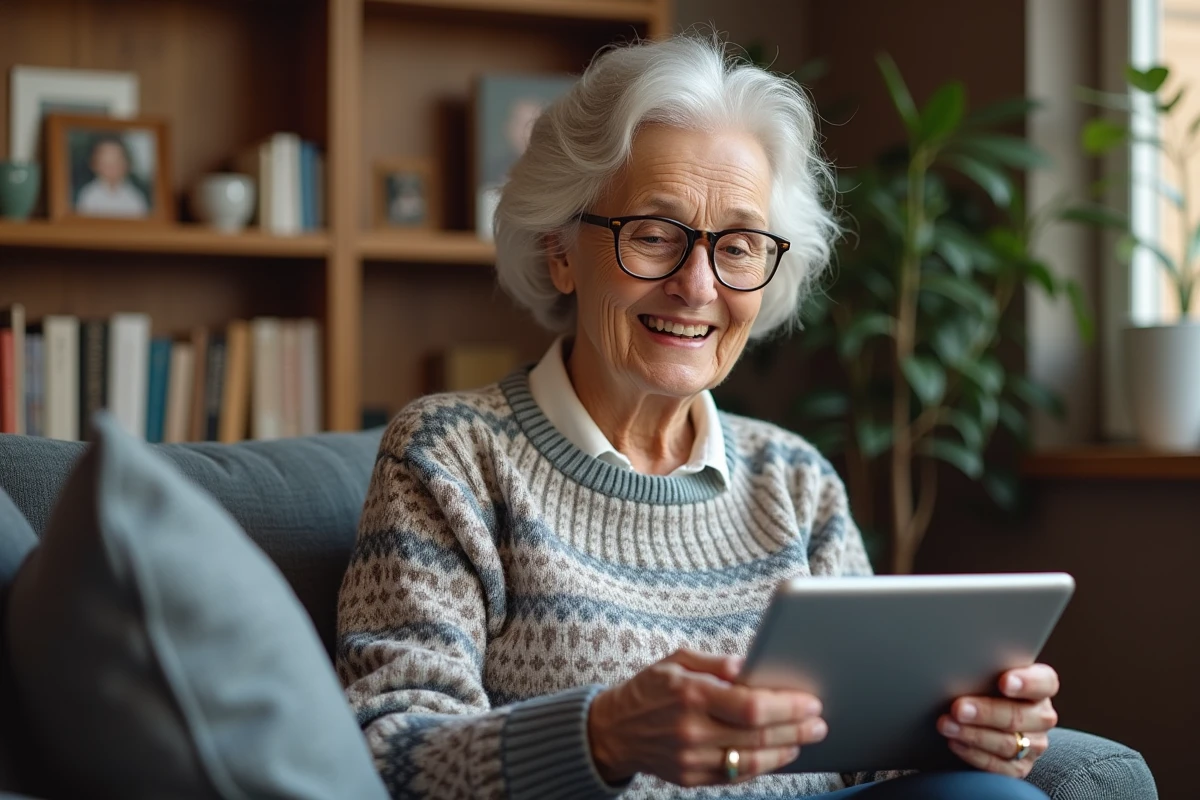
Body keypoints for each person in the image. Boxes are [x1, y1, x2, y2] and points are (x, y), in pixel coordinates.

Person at [336, 35, 1059, 799]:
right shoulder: (452, 457)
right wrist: (603, 736)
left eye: (739, 246)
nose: (697, 286)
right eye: (653, 236)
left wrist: (971, 732)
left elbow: (867, 763)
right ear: (559, 249)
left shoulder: (795, 480)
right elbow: (386, 751)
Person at [75, 135, 149, 218]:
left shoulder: (136, 198)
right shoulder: (88, 196)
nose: (111, 168)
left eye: (116, 161)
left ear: (126, 164)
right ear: (94, 165)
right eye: (106, 163)